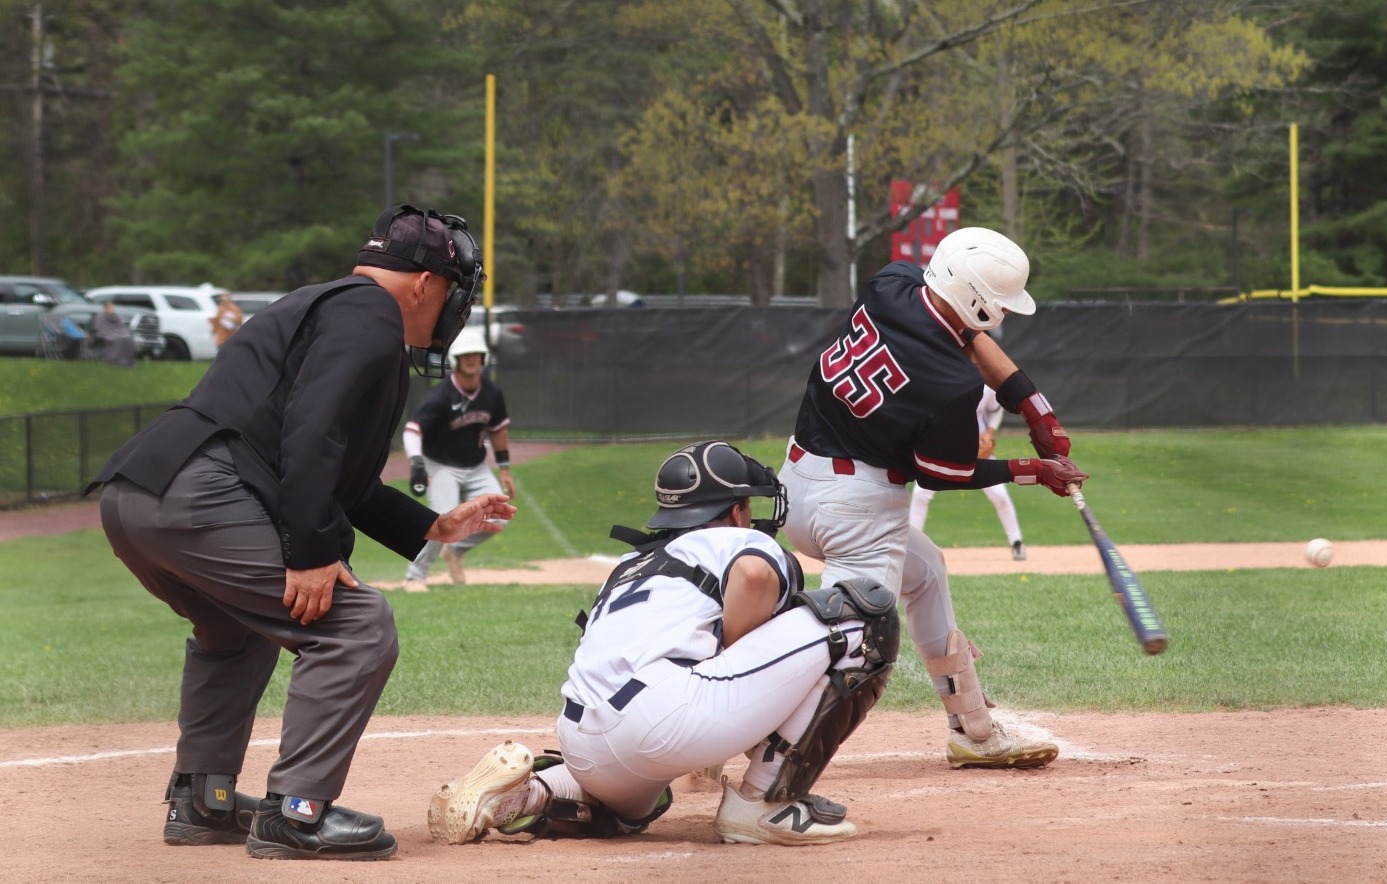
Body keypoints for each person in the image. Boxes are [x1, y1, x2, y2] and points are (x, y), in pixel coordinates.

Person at [90, 205, 517, 862]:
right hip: (201, 492)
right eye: (456, 291)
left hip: (139, 493)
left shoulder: (327, 305)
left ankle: (205, 801)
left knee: (236, 632)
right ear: (426, 284)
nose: (455, 306)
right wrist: (311, 551)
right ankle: (298, 812)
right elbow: (311, 433)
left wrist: (432, 523)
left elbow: (324, 463)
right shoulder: (370, 314)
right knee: (356, 625)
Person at [428, 440, 900, 847]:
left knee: (629, 811)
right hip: (663, 719)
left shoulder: (631, 563)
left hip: (582, 741)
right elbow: (754, 574)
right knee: (865, 615)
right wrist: (734, 661)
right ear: (734, 510)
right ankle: (764, 802)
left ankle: (525, 793)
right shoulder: (734, 540)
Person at [779, 226, 1088, 770]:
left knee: (926, 572)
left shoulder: (889, 285)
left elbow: (962, 333)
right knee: (848, 651)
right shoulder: (951, 385)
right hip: (857, 513)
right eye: (999, 306)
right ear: (977, 301)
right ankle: (748, 745)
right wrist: (1032, 470)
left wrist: (1032, 405)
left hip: (798, 483)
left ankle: (973, 727)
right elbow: (944, 473)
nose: (1005, 316)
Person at [401, 328, 514, 592]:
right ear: (455, 360)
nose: (472, 359)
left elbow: (499, 429)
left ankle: (454, 551)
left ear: (484, 358)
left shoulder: (491, 393)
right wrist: (417, 463)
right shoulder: (441, 396)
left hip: (476, 467)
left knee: (500, 515)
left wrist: (505, 468)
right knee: (442, 521)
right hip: (442, 466)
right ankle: (414, 577)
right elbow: (412, 429)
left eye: (476, 354)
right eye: (466, 355)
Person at [908, 386, 1027, 560]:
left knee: (999, 495)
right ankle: (911, 546)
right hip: (942, 449)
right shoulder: (941, 380)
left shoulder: (985, 386)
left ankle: (1016, 541)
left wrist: (991, 432)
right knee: (920, 493)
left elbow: (996, 409)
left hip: (975, 448)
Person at [89, 301, 136, 367]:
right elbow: (99, 329)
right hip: (107, 335)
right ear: (105, 309)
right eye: (109, 308)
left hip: (120, 334)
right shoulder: (100, 318)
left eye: (112, 308)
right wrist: (110, 334)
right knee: (118, 340)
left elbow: (121, 328)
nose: (111, 310)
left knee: (127, 339)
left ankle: (128, 360)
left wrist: (123, 334)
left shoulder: (117, 317)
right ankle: (116, 360)